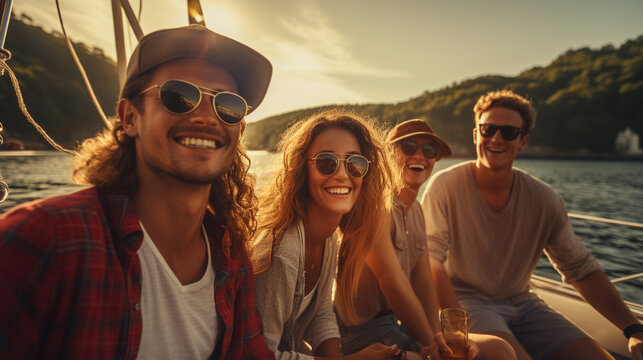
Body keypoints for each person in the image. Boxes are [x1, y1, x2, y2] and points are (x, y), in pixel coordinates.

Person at [0, 25, 275, 359]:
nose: (206, 117)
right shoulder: (42, 239)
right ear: (130, 117)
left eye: (228, 106)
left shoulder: (230, 252)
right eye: (179, 96)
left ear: (239, 130)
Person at [420, 89, 643, 360]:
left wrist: (632, 329)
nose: (496, 138)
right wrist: (456, 332)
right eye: (488, 129)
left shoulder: (544, 199)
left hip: (524, 304)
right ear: (476, 134)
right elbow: (431, 261)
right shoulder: (445, 186)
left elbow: (579, 268)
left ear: (523, 140)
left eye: (509, 132)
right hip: (466, 304)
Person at [337, 119, 515, 360]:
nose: (420, 155)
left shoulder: (417, 211)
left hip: (396, 326)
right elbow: (393, 286)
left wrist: (435, 335)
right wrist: (433, 342)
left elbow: (423, 283)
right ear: (389, 155)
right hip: (358, 334)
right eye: (409, 147)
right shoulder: (376, 207)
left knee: (499, 349)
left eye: (429, 150)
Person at [252, 110, 402, 359]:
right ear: (302, 169)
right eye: (326, 162)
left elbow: (321, 313)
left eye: (355, 164)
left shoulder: (329, 236)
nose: (342, 174)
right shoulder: (282, 252)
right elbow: (260, 355)